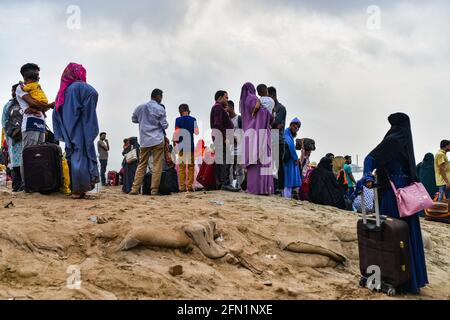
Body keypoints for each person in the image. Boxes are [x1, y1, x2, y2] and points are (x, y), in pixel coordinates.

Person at [362, 112, 428, 294]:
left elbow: (370, 158)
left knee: (390, 234)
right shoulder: (406, 142)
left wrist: (367, 175)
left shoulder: (393, 140)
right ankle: (410, 279)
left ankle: (391, 276)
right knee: (405, 234)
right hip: (407, 198)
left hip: (394, 196)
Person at [52, 63, 100, 199]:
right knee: (81, 156)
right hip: (81, 127)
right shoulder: (80, 86)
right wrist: (87, 113)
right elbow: (93, 93)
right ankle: (79, 191)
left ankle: (77, 189)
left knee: (73, 156)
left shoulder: (63, 92)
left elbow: (56, 112)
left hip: (68, 129)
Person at [16, 63, 55, 185]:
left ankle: (38, 182)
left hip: (41, 122)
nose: (38, 76)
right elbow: (33, 103)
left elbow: (40, 105)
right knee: (29, 153)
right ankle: (26, 183)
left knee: (40, 153)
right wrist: (47, 105)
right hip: (30, 123)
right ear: (27, 74)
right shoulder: (20, 87)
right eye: (36, 73)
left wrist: (41, 107)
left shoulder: (38, 87)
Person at [129, 89, 168, 196]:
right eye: (161, 97)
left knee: (142, 164)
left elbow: (133, 119)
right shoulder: (160, 108)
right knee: (157, 165)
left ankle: (134, 189)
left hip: (144, 140)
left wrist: (142, 120)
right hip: (157, 140)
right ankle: (154, 190)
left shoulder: (140, 108)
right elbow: (164, 125)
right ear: (158, 96)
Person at [240, 82, 274, 196]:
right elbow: (263, 113)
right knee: (262, 158)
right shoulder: (254, 99)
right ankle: (263, 188)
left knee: (254, 162)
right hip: (261, 129)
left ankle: (252, 187)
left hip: (250, 131)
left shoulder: (245, 101)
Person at [210, 90, 238, 192]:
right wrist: (225, 137)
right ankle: (224, 183)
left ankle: (220, 184)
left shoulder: (219, 108)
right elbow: (217, 123)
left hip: (220, 137)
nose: (227, 99)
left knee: (221, 161)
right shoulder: (217, 108)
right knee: (225, 161)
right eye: (226, 97)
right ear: (220, 98)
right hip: (221, 138)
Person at [1, 84, 23, 192]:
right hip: (13, 140)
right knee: (15, 163)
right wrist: (12, 133)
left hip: (24, 138)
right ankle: (16, 186)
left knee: (25, 161)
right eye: (12, 91)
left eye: (14, 90)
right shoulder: (8, 105)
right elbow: (4, 121)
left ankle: (23, 185)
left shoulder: (26, 103)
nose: (13, 93)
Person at [173, 104, 199, 192]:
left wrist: (175, 142)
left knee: (181, 167)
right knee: (191, 167)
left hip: (181, 146)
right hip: (190, 146)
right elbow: (196, 132)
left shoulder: (178, 120)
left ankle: (182, 187)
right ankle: (190, 186)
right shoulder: (193, 119)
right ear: (188, 110)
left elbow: (176, 132)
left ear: (180, 111)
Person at [269, 86, 287, 195]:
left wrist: (272, 124)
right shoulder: (269, 108)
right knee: (270, 164)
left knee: (278, 165)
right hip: (270, 138)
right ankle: (272, 186)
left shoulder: (280, 108)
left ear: (273, 95)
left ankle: (279, 189)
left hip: (278, 140)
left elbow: (276, 124)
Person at [227, 100, 245, 189]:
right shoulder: (227, 120)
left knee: (239, 168)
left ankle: (239, 185)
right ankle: (231, 185)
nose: (225, 110)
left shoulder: (239, 118)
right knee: (230, 167)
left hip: (239, 147)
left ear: (231, 107)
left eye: (226, 107)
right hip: (230, 147)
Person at [283, 118, 302, 198]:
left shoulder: (289, 134)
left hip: (289, 160)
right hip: (288, 161)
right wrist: (295, 158)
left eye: (298, 128)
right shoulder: (286, 133)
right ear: (292, 125)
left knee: (289, 180)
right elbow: (290, 146)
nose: (296, 130)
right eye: (296, 127)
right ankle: (286, 197)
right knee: (288, 179)